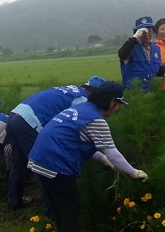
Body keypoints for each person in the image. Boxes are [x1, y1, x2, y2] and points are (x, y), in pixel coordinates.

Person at [27, 81, 148, 232]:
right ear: (113, 102)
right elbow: (113, 153)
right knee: (70, 207)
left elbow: (82, 141)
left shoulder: (83, 109)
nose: (117, 110)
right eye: (118, 105)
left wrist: (103, 160)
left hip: (39, 159)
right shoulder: (96, 120)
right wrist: (134, 173)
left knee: (62, 207)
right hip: (54, 162)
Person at [6, 76, 107, 210]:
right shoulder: (82, 99)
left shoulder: (72, 89)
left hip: (15, 115)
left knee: (18, 163)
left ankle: (14, 202)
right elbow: (82, 129)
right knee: (42, 166)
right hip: (28, 122)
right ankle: (51, 211)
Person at [118, 16, 162, 91]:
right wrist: (134, 38)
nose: (146, 34)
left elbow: (156, 70)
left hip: (152, 91)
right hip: (134, 93)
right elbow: (122, 55)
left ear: (153, 32)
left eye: (149, 30)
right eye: (143, 32)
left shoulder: (156, 48)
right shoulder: (131, 47)